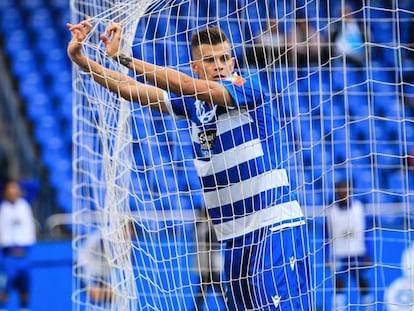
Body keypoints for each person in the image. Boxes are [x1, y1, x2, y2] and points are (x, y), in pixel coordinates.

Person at [67, 19, 311, 310]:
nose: (219, 65)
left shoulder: (247, 86)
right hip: (233, 238)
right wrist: (82, 60)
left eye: (224, 58)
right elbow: (131, 89)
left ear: (233, 61)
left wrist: (124, 57)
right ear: (195, 66)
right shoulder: (194, 105)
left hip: (273, 226)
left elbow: (184, 84)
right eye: (209, 60)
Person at [326, 181, 373, 310]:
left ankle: (368, 306)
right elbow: (326, 236)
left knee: (362, 282)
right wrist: (327, 256)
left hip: (358, 253)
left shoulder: (359, 208)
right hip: (339, 254)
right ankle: (338, 307)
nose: (343, 193)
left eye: (345, 190)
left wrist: (369, 252)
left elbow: (367, 232)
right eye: (340, 190)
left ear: (350, 191)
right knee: (339, 284)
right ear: (336, 192)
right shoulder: (331, 212)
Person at [0, 180, 37, 311]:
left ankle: (24, 309)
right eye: (9, 190)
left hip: (25, 255)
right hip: (9, 256)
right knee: (4, 289)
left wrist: (19, 185)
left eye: (14, 189)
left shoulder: (24, 203)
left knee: (25, 288)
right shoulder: (2, 206)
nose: (12, 192)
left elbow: (35, 185)